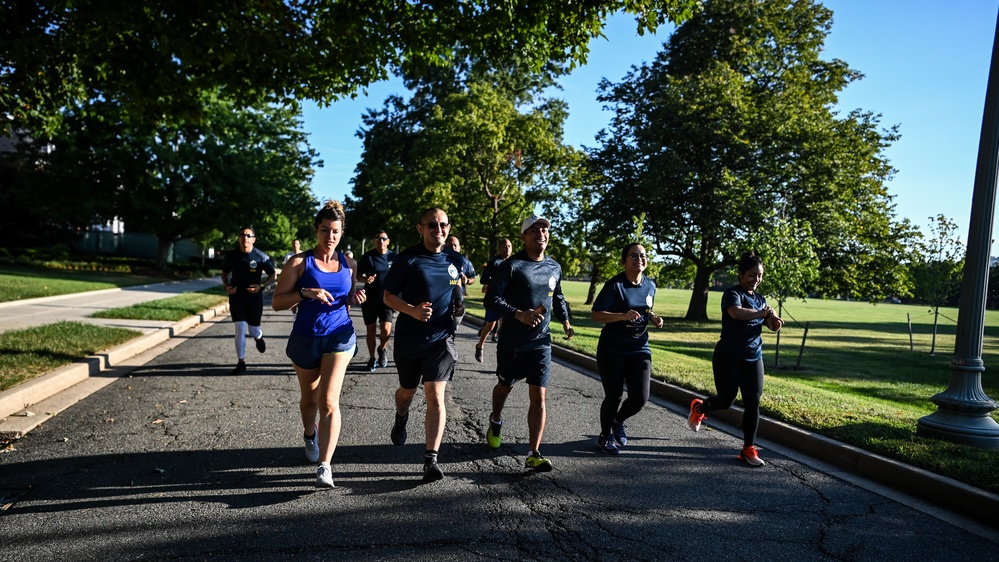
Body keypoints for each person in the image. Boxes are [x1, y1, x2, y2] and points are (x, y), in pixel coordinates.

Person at [271, 200, 367, 488]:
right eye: (325, 230)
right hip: (306, 337)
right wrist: (304, 292)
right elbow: (277, 302)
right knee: (309, 399)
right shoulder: (299, 263)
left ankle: (325, 465)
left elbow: (346, 296)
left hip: (339, 334)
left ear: (342, 233)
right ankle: (309, 434)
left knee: (328, 400)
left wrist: (354, 298)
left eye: (336, 231)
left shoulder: (348, 264)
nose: (330, 237)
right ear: (316, 231)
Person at [483, 215, 574, 472]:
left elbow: (557, 296)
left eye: (544, 229)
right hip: (512, 341)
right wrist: (519, 314)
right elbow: (492, 299)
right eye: (534, 230)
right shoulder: (511, 266)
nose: (541, 234)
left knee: (539, 396)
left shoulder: (554, 267)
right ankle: (496, 419)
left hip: (541, 341)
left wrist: (565, 320)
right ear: (523, 236)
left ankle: (534, 452)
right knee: (505, 386)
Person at [381, 208, 466, 483]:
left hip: (441, 340)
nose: (438, 229)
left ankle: (431, 460)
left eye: (442, 225)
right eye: (432, 225)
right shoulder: (408, 259)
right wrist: (411, 310)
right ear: (421, 228)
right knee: (406, 392)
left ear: (448, 228)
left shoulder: (456, 260)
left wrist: (458, 304)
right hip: (409, 339)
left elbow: (455, 289)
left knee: (435, 395)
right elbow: (388, 297)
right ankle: (401, 415)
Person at [687, 250, 783, 467]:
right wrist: (762, 314)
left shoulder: (760, 299)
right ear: (740, 274)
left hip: (753, 357)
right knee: (726, 400)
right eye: (751, 275)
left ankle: (748, 449)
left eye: (759, 276)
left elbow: (770, 324)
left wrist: (774, 321)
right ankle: (699, 408)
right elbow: (736, 313)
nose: (756, 280)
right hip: (728, 357)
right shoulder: (732, 294)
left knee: (753, 403)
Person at [590, 243, 664, 455]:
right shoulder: (615, 285)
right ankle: (605, 436)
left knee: (640, 398)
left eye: (643, 255)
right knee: (613, 396)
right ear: (624, 261)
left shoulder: (650, 285)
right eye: (633, 255)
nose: (639, 259)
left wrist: (653, 318)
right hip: (613, 349)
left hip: (640, 347)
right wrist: (622, 316)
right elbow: (596, 315)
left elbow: (646, 309)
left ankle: (618, 420)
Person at [221, 227, 276, 375]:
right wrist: (227, 286)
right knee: (240, 328)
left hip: (254, 298)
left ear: (253, 239)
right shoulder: (231, 255)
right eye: (242, 235)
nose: (245, 237)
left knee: (253, 331)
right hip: (237, 296)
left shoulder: (260, 256)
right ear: (238, 238)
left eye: (248, 235)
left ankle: (258, 337)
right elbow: (224, 273)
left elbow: (272, 275)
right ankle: (241, 362)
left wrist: (262, 286)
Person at [356, 230, 398, 371]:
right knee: (371, 330)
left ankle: (382, 349)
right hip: (370, 299)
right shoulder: (368, 257)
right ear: (374, 241)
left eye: (383, 238)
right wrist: (365, 279)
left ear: (388, 241)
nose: (380, 241)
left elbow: (402, 276)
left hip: (387, 299)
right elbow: (357, 275)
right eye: (377, 238)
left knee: (386, 330)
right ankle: (372, 358)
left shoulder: (394, 257)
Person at [474, 238, 513, 362]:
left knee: (505, 325)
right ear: (499, 248)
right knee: (490, 325)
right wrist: (498, 282)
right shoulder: (494, 262)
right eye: (504, 246)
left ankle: (503, 355)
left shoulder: (514, 262)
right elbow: (483, 279)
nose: (507, 248)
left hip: (507, 300)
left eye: (509, 246)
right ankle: (480, 346)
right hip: (494, 299)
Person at [445, 235, 476, 331]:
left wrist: (466, 280)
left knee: (453, 328)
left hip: (458, 301)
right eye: (450, 245)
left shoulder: (466, 262)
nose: (453, 247)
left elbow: (473, 278)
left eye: (455, 245)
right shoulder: (441, 260)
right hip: (443, 299)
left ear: (459, 247)